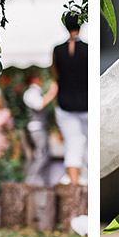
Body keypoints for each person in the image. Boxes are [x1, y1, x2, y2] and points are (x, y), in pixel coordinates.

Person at [44, 11, 87, 185]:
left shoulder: (57, 50)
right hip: (86, 103)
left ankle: (74, 183)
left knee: (72, 144)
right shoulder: (87, 49)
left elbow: (55, 75)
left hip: (65, 104)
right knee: (90, 143)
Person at [21, 69, 51, 186]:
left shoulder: (35, 92)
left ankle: (38, 180)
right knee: (41, 154)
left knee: (43, 154)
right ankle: (32, 180)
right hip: (37, 127)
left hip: (39, 126)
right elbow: (39, 105)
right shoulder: (31, 92)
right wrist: (52, 93)